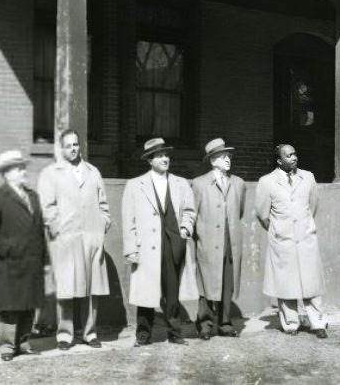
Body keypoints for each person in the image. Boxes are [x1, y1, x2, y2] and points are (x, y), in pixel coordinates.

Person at [37, 129, 111, 350]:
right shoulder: (52, 173)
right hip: (66, 240)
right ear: (61, 148)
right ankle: (65, 335)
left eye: (76, 144)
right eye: (69, 145)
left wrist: (102, 224)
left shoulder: (93, 172)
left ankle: (89, 333)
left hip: (91, 238)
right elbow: (47, 208)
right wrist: (58, 231)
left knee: (91, 288)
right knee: (67, 288)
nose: (74, 149)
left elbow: (103, 205)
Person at [122, 137, 197, 346]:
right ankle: (143, 335)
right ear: (150, 160)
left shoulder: (180, 183)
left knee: (172, 290)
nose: (165, 159)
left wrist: (185, 228)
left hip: (173, 243)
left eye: (166, 155)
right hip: (146, 247)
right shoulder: (135, 185)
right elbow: (128, 219)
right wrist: (130, 249)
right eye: (160, 156)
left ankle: (175, 333)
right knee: (146, 291)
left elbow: (190, 211)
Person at [255, 143, 328, 338]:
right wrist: (279, 230)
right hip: (282, 240)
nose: (294, 158)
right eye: (288, 155)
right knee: (285, 284)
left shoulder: (308, 177)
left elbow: (313, 206)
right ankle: (290, 323)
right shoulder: (267, 182)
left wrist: (303, 226)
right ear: (279, 160)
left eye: (295, 153)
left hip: (305, 238)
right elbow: (263, 214)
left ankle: (317, 323)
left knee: (311, 283)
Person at [0, 149, 46, 361]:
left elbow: (38, 230)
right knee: (10, 306)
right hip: (9, 262)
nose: (23, 172)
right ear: (7, 173)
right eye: (18, 168)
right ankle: (7, 346)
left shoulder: (33, 196)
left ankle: (23, 342)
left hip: (32, 261)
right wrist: (8, 249)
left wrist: (43, 257)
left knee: (29, 304)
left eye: (23, 168)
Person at [191, 138, 246, 340]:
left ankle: (224, 323)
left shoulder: (238, 184)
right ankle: (204, 324)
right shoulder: (198, 184)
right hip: (207, 243)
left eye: (229, 156)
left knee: (227, 283)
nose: (228, 160)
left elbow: (238, 212)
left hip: (230, 242)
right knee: (206, 284)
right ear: (213, 160)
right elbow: (193, 214)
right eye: (223, 156)